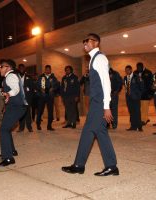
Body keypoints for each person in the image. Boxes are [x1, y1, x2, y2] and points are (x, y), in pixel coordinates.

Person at [62, 33, 119, 176]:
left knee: (95, 131)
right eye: (84, 41)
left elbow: (107, 83)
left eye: (87, 41)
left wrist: (106, 106)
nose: (84, 43)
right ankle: (81, 165)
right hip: (96, 102)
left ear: (96, 43)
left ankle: (106, 166)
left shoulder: (99, 58)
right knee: (92, 132)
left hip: (100, 102)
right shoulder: (93, 59)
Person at [0, 59, 27, 167]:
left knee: (3, 130)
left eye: (1, 66)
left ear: (8, 67)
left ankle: (8, 158)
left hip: (16, 107)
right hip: (15, 106)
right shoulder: (13, 75)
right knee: (7, 128)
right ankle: (11, 151)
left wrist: (8, 94)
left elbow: (16, 89)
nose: (0, 68)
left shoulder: (10, 76)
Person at [36, 65, 59, 131]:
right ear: (45, 69)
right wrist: (40, 89)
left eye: (49, 69)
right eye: (46, 69)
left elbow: (57, 85)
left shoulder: (53, 77)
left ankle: (49, 126)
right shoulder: (41, 77)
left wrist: (53, 88)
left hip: (50, 97)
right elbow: (37, 85)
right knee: (40, 111)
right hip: (42, 96)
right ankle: (38, 124)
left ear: (50, 70)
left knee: (50, 112)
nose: (47, 70)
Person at [124, 65, 144, 132]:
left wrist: (138, 95)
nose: (126, 71)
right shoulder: (125, 78)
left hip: (136, 98)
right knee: (131, 112)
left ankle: (140, 127)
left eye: (128, 70)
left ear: (131, 70)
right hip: (128, 98)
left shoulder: (136, 76)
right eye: (126, 70)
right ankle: (133, 126)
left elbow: (141, 86)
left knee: (137, 112)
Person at [17, 64, 34, 133]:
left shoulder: (29, 77)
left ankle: (29, 127)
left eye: (22, 68)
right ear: (18, 69)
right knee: (20, 113)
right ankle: (21, 128)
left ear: (24, 69)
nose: (21, 69)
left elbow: (32, 87)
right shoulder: (16, 77)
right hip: (19, 98)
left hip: (27, 98)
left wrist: (26, 88)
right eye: (20, 68)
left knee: (27, 113)